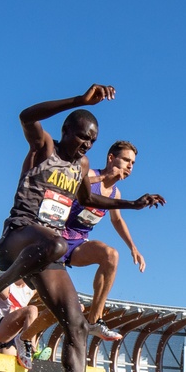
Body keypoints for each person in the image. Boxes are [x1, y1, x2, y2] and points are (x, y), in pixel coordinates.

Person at [0, 84, 165, 372]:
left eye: (91, 141)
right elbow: (25, 115)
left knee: (77, 327)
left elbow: (89, 199)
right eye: (81, 138)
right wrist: (77, 101)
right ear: (67, 131)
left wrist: (134, 204)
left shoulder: (82, 167)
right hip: (16, 241)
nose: (85, 146)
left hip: (45, 257)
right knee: (56, 242)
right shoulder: (44, 148)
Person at [57, 140, 146, 341]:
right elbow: (76, 180)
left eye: (133, 162)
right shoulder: (92, 174)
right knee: (64, 305)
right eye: (126, 160)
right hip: (55, 238)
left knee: (111, 255)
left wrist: (133, 247)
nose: (130, 165)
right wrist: (105, 176)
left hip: (78, 243)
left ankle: (94, 321)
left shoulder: (116, 193)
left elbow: (117, 219)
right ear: (111, 158)